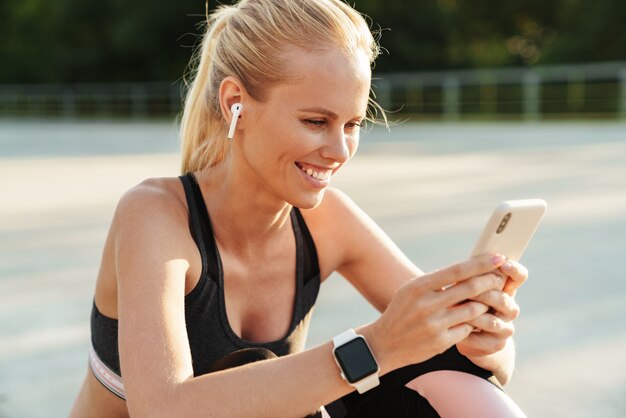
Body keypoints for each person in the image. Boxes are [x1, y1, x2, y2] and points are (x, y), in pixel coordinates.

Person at [69, 0, 528, 416]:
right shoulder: (154, 215)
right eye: (315, 122)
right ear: (236, 105)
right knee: (290, 368)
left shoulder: (328, 221)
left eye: (352, 124)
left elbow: (484, 372)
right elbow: (163, 410)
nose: (340, 149)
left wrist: (483, 336)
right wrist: (377, 345)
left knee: (445, 374)